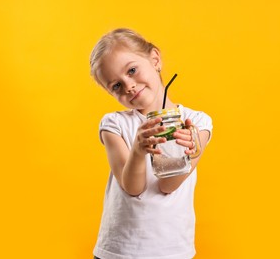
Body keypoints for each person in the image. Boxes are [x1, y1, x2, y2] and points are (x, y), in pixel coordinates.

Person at [89, 28, 213, 259]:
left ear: (155, 59)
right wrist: (137, 150)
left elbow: (168, 186)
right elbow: (133, 188)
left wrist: (186, 150)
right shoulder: (114, 125)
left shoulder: (196, 123)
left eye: (132, 70)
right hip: (119, 252)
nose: (129, 86)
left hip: (172, 251)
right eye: (116, 86)